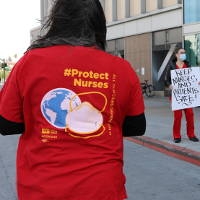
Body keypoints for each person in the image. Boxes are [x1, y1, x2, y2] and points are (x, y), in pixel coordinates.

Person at [0, 0, 146, 199]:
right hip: (102, 189)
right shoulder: (121, 69)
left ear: (57, 21)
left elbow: (7, 125)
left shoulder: (29, 62)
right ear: (98, 25)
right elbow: (136, 127)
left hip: (42, 188)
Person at [164, 47, 199, 143]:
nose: (183, 54)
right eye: (181, 52)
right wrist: (170, 85)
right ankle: (176, 135)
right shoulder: (171, 65)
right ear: (176, 55)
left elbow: (192, 78)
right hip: (176, 96)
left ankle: (191, 134)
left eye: (184, 52)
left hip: (187, 96)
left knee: (190, 115)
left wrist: (197, 82)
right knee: (178, 116)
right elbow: (166, 80)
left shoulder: (187, 65)